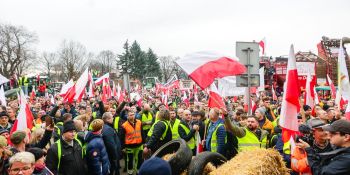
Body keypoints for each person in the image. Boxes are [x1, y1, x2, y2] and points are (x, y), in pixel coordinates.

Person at [121, 110, 144, 175]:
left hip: (139, 145)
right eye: (130, 115)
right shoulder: (124, 125)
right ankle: (130, 172)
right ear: (127, 116)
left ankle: (138, 172)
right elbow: (122, 137)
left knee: (139, 160)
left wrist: (144, 142)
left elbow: (142, 133)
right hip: (129, 146)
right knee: (130, 161)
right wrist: (123, 147)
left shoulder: (139, 122)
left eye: (133, 114)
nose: (132, 116)